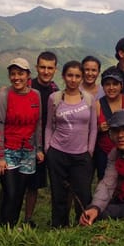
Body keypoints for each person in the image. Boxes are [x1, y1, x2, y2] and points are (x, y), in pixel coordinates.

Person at [44, 61, 97, 227]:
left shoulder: (88, 99)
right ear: (63, 76)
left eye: (77, 76)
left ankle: (82, 226)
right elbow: (49, 126)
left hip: (81, 155)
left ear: (81, 78)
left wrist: (89, 151)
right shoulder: (55, 98)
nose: (73, 79)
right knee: (59, 194)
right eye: (70, 75)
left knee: (83, 194)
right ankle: (59, 227)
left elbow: (93, 128)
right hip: (57, 152)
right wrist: (48, 149)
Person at [0, 58, 42, 227]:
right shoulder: (4, 95)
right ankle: (4, 225)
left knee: (20, 192)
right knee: (10, 191)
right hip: (8, 150)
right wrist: (0, 157)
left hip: (28, 151)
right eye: (13, 74)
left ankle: (11, 227)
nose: (16, 77)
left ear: (28, 75)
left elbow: (38, 123)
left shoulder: (35, 96)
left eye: (20, 73)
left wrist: (39, 148)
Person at [23, 51, 58, 226]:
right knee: (17, 184)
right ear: (37, 68)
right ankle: (9, 218)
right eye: (42, 67)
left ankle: (29, 219)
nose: (45, 71)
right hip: (24, 143)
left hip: (46, 145)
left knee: (35, 185)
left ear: (55, 70)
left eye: (49, 68)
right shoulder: (26, 86)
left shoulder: (56, 92)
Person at [92, 67, 124, 181]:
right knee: (105, 183)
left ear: (121, 85)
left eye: (115, 84)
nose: (111, 88)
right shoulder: (97, 105)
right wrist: (99, 129)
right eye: (107, 84)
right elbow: (89, 130)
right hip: (104, 153)